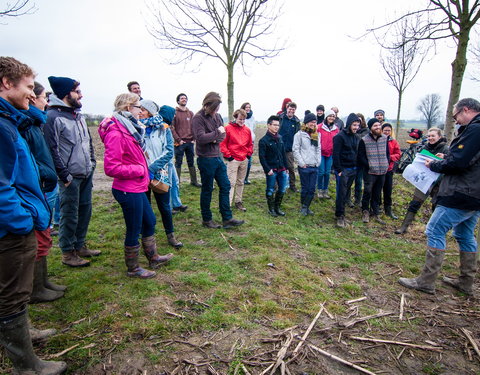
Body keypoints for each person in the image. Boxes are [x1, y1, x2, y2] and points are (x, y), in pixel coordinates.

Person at [0, 56, 67, 375]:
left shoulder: (11, 121)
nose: (32, 93)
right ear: (5, 83)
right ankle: (27, 368)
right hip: (10, 230)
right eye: (28, 87)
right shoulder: (1, 126)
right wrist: (22, 220)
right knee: (10, 296)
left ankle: (26, 333)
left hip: (19, 222)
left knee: (18, 290)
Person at [398, 98, 480, 296]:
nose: (456, 120)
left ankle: (426, 281)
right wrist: (449, 158)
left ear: (466, 110)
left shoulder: (475, 130)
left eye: (456, 116)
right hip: (475, 193)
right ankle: (466, 282)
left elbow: (458, 164)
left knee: (434, 229)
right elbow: (467, 159)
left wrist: (434, 165)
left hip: (460, 192)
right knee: (464, 234)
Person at [98, 93, 173, 279]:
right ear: (127, 107)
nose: (141, 110)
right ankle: (133, 268)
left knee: (149, 221)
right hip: (127, 189)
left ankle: (153, 257)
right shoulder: (116, 133)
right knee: (134, 227)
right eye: (138, 106)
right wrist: (140, 169)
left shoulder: (130, 127)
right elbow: (111, 167)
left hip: (138, 186)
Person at [44, 76, 100, 267]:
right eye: (77, 91)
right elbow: (52, 149)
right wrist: (64, 175)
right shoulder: (52, 117)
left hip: (86, 172)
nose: (81, 95)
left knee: (85, 210)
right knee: (69, 214)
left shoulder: (78, 115)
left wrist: (92, 163)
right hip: (70, 177)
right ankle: (68, 253)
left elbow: (88, 143)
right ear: (66, 93)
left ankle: (80, 245)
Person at [20, 81, 66, 303]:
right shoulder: (26, 125)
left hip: (46, 186)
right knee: (39, 235)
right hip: (38, 188)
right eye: (42, 98)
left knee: (45, 233)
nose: (46, 102)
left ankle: (43, 281)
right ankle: (36, 288)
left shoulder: (36, 123)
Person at [192, 91, 244, 229]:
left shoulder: (218, 116)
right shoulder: (198, 118)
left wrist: (215, 137)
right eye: (214, 108)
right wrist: (216, 134)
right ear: (207, 105)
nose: (216, 111)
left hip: (217, 157)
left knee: (225, 186)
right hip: (205, 159)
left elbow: (223, 135)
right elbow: (201, 138)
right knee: (207, 189)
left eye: (217, 108)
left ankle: (227, 218)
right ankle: (207, 219)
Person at [140, 99, 183, 248]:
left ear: (150, 112)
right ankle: (147, 238)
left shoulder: (164, 129)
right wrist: (143, 170)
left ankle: (171, 236)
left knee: (164, 207)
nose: (140, 112)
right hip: (140, 174)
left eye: (143, 109)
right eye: (139, 109)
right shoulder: (136, 129)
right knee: (144, 208)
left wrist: (152, 168)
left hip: (159, 173)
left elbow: (169, 152)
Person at [395, 127, 449, 234]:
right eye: (429, 136)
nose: (430, 138)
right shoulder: (425, 147)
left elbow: (449, 165)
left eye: (433, 136)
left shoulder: (445, 149)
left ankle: (433, 231)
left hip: (438, 183)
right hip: (424, 180)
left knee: (436, 206)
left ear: (439, 137)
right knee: (415, 203)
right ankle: (404, 227)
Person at [357, 118, 390, 224]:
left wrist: (386, 163)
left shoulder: (384, 138)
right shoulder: (364, 140)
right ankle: (365, 211)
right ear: (370, 128)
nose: (378, 127)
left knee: (377, 193)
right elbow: (361, 156)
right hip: (370, 171)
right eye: (375, 126)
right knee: (367, 191)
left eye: (379, 125)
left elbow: (387, 153)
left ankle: (375, 212)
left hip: (382, 171)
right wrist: (369, 165)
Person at [220, 109, 253, 211]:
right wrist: (229, 156)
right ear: (235, 117)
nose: (242, 121)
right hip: (233, 159)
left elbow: (250, 144)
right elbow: (223, 144)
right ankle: (228, 204)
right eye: (240, 119)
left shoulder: (247, 130)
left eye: (243, 119)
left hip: (244, 159)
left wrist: (248, 154)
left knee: (241, 182)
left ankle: (238, 201)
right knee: (231, 182)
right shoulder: (228, 128)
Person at [159, 105, 189, 214]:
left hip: (170, 160)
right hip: (164, 161)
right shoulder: (162, 127)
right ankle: (169, 207)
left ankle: (177, 204)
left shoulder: (168, 126)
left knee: (175, 182)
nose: (175, 115)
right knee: (168, 184)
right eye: (173, 113)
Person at [333, 113, 361, 227]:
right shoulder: (340, 137)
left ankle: (343, 214)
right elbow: (336, 154)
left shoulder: (356, 137)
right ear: (349, 124)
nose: (356, 127)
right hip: (343, 170)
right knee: (341, 193)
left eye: (358, 125)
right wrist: (339, 169)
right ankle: (339, 216)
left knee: (346, 193)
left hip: (353, 169)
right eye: (354, 125)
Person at [259, 115, 289, 216]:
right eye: (274, 125)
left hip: (282, 169)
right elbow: (262, 157)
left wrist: (286, 167)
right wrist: (268, 170)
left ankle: (277, 208)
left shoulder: (280, 138)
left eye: (278, 125)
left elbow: (283, 154)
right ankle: (271, 209)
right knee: (270, 189)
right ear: (268, 125)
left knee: (282, 189)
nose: (277, 127)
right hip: (272, 170)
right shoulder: (263, 141)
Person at [293, 111, 321, 216]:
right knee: (305, 188)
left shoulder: (316, 135)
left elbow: (319, 149)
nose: (313, 124)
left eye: (315, 122)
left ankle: (307, 206)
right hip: (304, 166)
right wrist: (301, 163)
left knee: (312, 188)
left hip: (314, 165)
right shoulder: (299, 135)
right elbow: (295, 150)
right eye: (311, 122)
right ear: (306, 122)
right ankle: (303, 207)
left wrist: (318, 162)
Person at [171, 93, 201, 188]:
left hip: (190, 142)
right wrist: (178, 140)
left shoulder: (190, 113)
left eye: (185, 98)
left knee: (191, 161)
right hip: (179, 142)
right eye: (182, 98)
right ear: (178, 101)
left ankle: (194, 181)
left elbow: (194, 126)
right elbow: (172, 128)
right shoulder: (174, 113)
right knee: (178, 162)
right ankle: (177, 183)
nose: (184, 99)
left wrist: (194, 138)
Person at [279, 102, 301, 192]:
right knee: (278, 167)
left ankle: (292, 185)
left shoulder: (296, 121)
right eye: (290, 109)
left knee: (290, 167)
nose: (291, 111)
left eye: (293, 109)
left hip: (289, 148)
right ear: (286, 108)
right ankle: (277, 186)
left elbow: (298, 134)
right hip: (279, 147)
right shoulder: (280, 118)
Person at [317, 109, 339, 199]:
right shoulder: (319, 127)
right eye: (330, 116)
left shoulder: (336, 129)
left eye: (333, 116)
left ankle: (325, 190)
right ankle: (319, 190)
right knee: (321, 172)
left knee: (327, 173)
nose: (331, 118)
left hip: (330, 154)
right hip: (321, 153)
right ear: (326, 117)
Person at [381, 123, 401, 219]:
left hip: (389, 169)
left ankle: (388, 209)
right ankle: (376, 207)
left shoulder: (393, 142)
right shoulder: (378, 140)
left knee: (388, 190)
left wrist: (389, 158)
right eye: (385, 130)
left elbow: (398, 154)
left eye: (389, 130)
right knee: (376, 189)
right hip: (378, 169)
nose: (387, 132)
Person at [240, 102, 255, 185]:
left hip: (250, 142)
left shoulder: (252, 118)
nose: (248, 109)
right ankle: (240, 178)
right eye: (246, 107)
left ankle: (246, 178)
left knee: (249, 161)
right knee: (242, 162)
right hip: (242, 142)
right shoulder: (241, 117)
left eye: (249, 107)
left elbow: (253, 128)